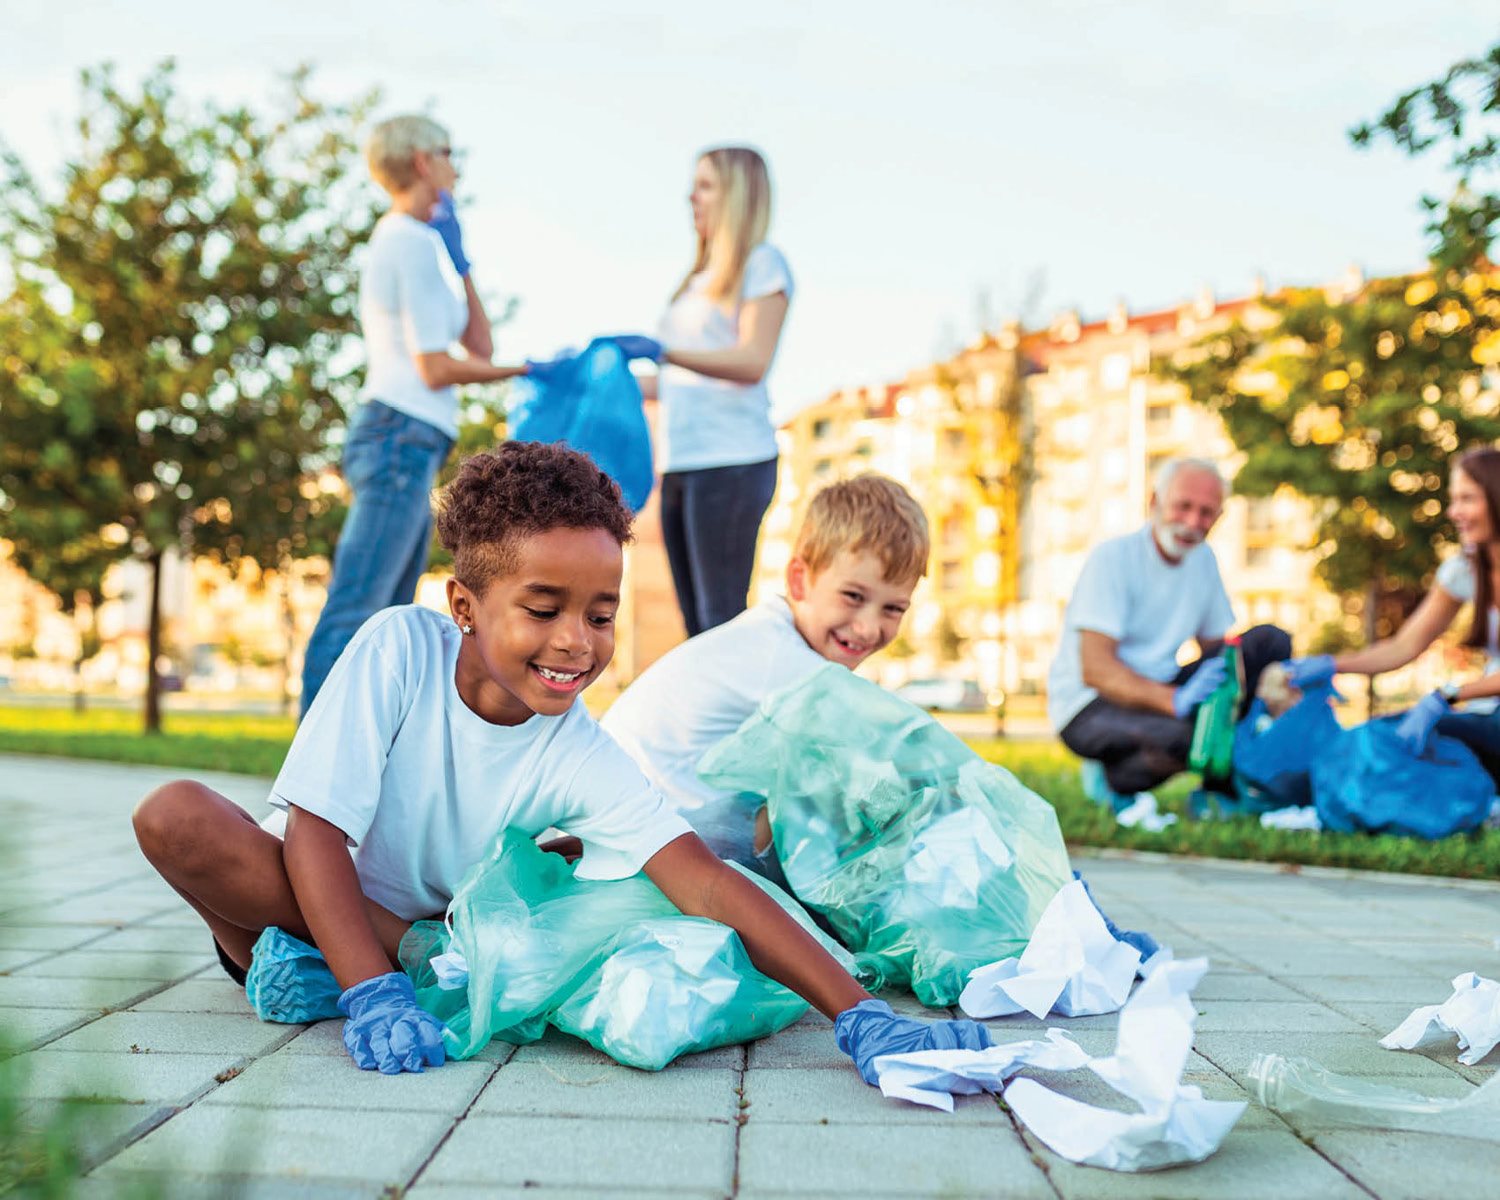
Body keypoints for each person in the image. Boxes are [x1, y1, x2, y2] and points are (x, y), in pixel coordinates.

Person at [132, 445, 987, 1081]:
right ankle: (318, 966)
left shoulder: (577, 747)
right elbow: (315, 835)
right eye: (543, 608)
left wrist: (861, 1015)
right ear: (463, 605)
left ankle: (338, 971)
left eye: (602, 614)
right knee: (173, 814)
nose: (576, 641)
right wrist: (372, 990)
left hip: (426, 944)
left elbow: (710, 884)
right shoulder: (399, 649)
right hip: (306, 899)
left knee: (580, 884)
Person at [299, 114, 529, 715]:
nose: (458, 165)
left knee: (386, 617)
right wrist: (530, 370)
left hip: (410, 440)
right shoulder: (404, 240)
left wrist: (463, 263)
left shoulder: (424, 245)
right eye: (450, 153)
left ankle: (359, 767)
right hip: (397, 433)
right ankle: (304, 783)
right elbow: (436, 367)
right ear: (424, 163)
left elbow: (478, 347)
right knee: (359, 609)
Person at [602, 474, 928, 877]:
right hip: (638, 846)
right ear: (799, 580)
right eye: (853, 597)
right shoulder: (782, 660)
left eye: (893, 609)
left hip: (643, 827)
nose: (868, 627)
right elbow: (889, 763)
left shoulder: (767, 637)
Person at [605, 146, 793, 637]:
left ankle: (739, 716)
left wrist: (663, 352)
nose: (692, 196)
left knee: (721, 619)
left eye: (706, 185)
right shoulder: (696, 281)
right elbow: (676, 383)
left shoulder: (762, 264)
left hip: (732, 461)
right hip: (683, 463)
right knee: (695, 623)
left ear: (737, 196)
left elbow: (752, 360)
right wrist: (603, 376)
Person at [1047, 457, 1291, 808]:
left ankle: (1224, 778)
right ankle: (1115, 775)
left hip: (1161, 687)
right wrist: (1175, 702)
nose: (1193, 522)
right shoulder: (1113, 559)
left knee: (1270, 642)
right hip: (1091, 705)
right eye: (1183, 506)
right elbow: (1095, 669)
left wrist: (1259, 696)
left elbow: (1220, 649)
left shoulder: (1203, 560)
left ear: (1219, 518)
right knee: (1192, 739)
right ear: (1154, 502)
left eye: (1207, 513)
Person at [1286, 446, 1500, 779]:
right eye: (1453, 499)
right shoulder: (1465, 571)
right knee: (1391, 734)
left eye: (1467, 499)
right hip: (1490, 717)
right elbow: (1403, 647)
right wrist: (1333, 664)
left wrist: (1449, 695)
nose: (1454, 512)